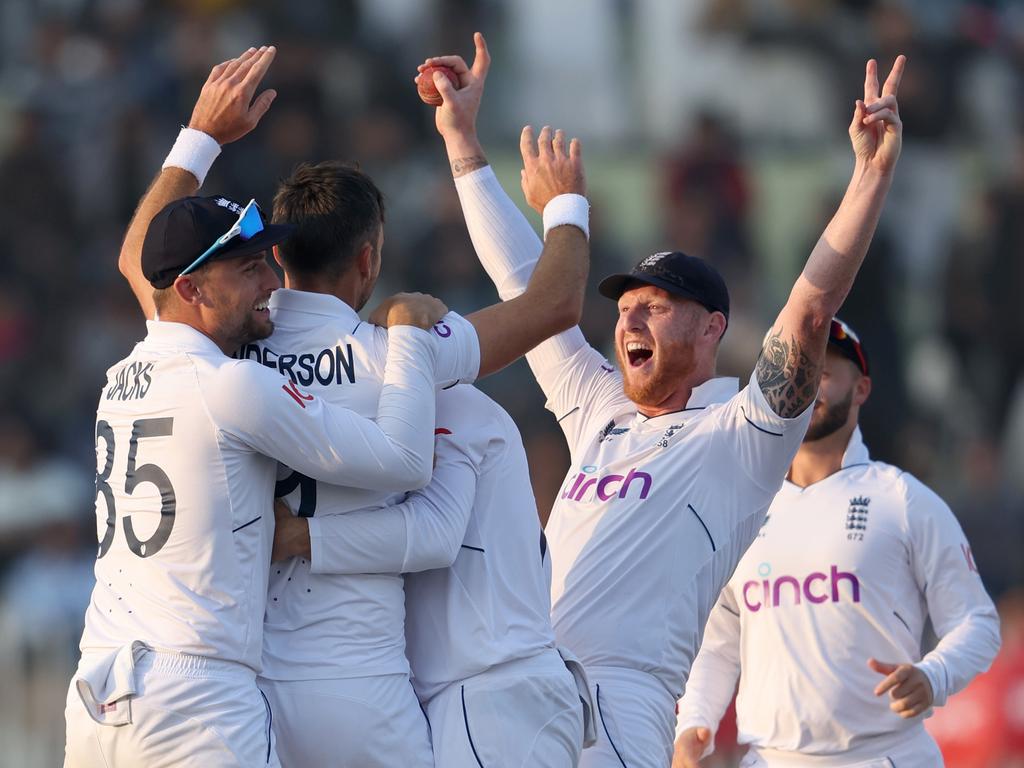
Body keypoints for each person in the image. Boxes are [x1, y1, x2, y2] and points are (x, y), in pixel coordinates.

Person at [423, 33, 908, 767]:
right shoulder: (598, 406)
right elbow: (526, 289)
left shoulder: (739, 434)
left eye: (656, 305)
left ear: (712, 326)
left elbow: (810, 308)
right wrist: (463, 145)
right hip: (522, 685)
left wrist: (869, 176)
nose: (629, 318)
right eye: (624, 306)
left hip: (620, 710)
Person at [113, 43, 594, 767]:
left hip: (250, 688)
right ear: (370, 258)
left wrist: (201, 135)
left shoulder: (222, 349)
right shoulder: (398, 353)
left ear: (275, 257)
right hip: (360, 687)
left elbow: (139, 259)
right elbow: (554, 304)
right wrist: (563, 200)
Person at [64, 47, 473, 768]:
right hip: (195, 697)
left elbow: (140, 260)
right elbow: (404, 462)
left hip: (99, 689)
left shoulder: (122, 374)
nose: (269, 282)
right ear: (191, 291)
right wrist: (407, 333)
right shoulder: (229, 384)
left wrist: (199, 138)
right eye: (248, 267)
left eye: (267, 260)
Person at [673, 319, 1001, 767]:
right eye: (795, 371)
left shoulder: (902, 499)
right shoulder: (739, 507)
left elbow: (978, 623)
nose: (805, 385)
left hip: (886, 756)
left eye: (822, 372)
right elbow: (718, 643)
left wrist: (932, 677)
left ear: (862, 388)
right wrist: (694, 725)